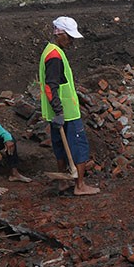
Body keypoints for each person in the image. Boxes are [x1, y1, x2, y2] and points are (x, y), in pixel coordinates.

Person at [39, 16, 99, 196]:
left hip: (57, 112)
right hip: (66, 113)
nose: (72, 41)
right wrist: (59, 111)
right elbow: (51, 86)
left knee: (60, 146)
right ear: (59, 34)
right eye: (69, 37)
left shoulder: (51, 51)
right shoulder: (55, 56)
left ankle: (63, 184)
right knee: (79, 146)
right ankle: (80, 185)